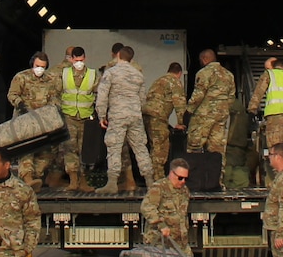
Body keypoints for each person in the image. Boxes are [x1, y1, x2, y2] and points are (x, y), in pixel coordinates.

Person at [95, 44, 152, 196]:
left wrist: (101, 115)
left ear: (118, 55)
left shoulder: (111, 73)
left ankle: (112, 183)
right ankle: (150, 182)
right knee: (140, 148)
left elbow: (102, 96)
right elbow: (142, 100)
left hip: (118, 115)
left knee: (114, 147)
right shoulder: (138, 75)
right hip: (135, 116)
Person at [6, 52, 60, 190]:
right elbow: (12, 94)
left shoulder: (50, 79)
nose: (40, 69)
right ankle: (27, 178)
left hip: (43, 121)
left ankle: (35, 177)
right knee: (27, 151)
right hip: (25, 120)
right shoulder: (21, 77)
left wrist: (51, 109)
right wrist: (20, 105)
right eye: (37, 66)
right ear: (32, 64)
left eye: (43, 66)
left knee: (47, 152)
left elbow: (55, 97)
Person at [183, 48, 236, 184]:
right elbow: (231, 98)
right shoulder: (228, 75)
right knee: (217, 151)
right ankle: (216, 182)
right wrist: (222, 109)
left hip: (203, 116)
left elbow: (198, 95)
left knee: (195, 147)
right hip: (221, 117)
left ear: (205, 59)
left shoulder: (204, 73)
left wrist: (188, 111)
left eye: (201, 60)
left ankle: (194, 182)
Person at [249, 55, 283, 166]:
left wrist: (252, 109)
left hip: (274, 116)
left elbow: (258, 93)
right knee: (282, 147)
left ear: (273, 67)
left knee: (274, 149)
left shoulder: (269, 75)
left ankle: (279, 178)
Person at [58, 47, 99, 192]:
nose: (79, 63)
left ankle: (83, 181)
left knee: (85, 151)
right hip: (69, 117)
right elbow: (56, 93)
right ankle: (73, 181)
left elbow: (98, 95)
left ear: (85, 58)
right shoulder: (64, 73)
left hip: (86, 118)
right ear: (71, 59)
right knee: (70, 149)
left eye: (81, 60)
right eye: (76, 60)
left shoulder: (93, 75)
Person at [140, 156, 193, 254]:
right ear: (172, 173)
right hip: (160, 243)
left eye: (186, 179)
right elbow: (147, 207)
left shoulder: (184, 191)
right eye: (180, 178)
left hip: (180, 244)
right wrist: (161, 225)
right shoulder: (159, 188)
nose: (183, 181)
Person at [142, 61, 187, 174]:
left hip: (145, 115)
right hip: (158, 117)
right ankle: (157, 178)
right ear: (180, 73)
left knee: (152, 146)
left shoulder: (158, 81)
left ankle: (149, 176)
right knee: (161, 148)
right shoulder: (175, 82)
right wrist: (181, 123)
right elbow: (180, 104)